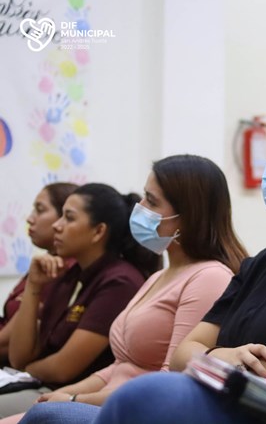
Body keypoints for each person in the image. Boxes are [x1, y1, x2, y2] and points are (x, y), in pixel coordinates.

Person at [32, 107, 266, 424]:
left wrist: (205, 357)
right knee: (52, 414)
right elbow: (181, 354)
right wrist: (221, 356)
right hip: (220, 402)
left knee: (130, 399)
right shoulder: (265, 263)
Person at [4, 155, 245, 423]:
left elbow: (169, 383)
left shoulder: (208, 277)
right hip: (106, 401)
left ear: (187, 215)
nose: (139, 207)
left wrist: (73, 400)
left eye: (151, 201)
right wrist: (64, 395)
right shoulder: (159, 277)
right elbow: (119, 367)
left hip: (137, 412)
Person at [0, 183, 161, 418]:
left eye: (69, 218)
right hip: (39, 383)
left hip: (73, 396)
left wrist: (27, 370)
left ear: (98, 232)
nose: (57, 225)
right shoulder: (66, 273)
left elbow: (62, 369)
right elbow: (19, 356)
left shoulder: (120, 282)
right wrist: (34, 285)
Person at [0, 183, 77, 364]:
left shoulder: (61, 270)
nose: (29, 219)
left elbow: (10, 342)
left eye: (40, 210)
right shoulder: (44, 262)